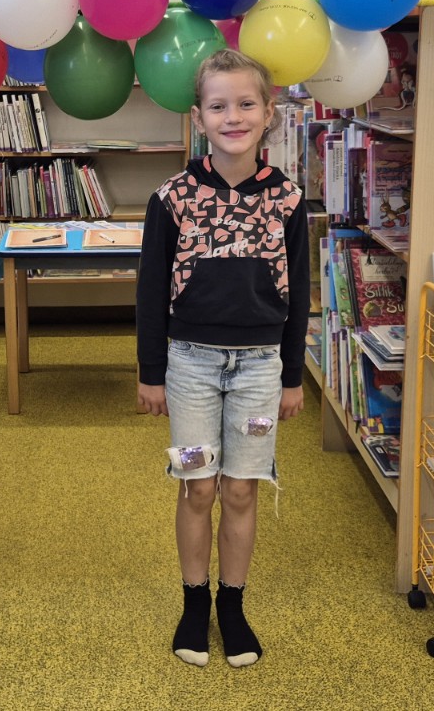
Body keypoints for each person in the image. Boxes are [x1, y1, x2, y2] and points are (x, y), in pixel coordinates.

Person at [136, 49, 309, 669]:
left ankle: (232, 606)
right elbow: (151, 291)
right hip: (189, 368)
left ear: (268, 112)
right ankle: (194, 603)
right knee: (198, 486)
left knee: (240, 489)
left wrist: (293, 377)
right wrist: (151, 372)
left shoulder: (288, 199)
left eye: (245, 104)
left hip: (261, 369)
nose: (232, 116)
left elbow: (300, 293)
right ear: (199, 117)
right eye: (218, 106)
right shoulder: (172, 198)